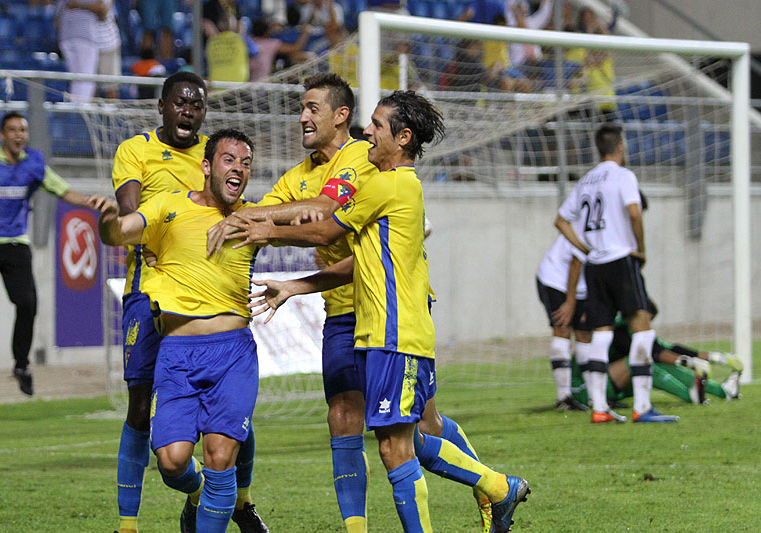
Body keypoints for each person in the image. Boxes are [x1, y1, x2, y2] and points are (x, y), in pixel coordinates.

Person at [206, 75, 520, 532]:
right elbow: (275, 212)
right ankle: (375, 523)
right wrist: (225, 215)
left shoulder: (367, 163)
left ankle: (493, 487)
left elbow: (326, 218)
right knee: (351, 420)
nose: (302, 117)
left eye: (313, 108)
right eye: (301, 108)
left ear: (341, 116)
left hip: (394, 316)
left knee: (412, 432)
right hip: (350, 314)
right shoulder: (299, 176)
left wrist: (265, 226)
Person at [110, 72, 267, 533]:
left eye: (196, 105)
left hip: (216, 302)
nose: (188, 111)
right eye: (180, 103)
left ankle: (240, 499)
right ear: (162, 106)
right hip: (152, 292)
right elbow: (129, 219)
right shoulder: (136, 151)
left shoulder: (219, 158)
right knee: (141, 406)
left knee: (230, 414)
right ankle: (131, 521)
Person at [0, 112, 108, 395]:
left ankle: (20, 365)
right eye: (13, 130)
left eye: (23, 130)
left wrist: (94, 203)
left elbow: (63, 191)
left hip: (17, 242)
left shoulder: (35, 165)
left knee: (27, 303)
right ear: (2, 135)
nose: (19, 135)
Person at [555, 124, 678, 424]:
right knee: (643, 328)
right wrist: (641, 248)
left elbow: (560, 221)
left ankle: (599, 408)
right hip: (621, 260)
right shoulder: (623, 176)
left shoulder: (586, 180)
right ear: (620, 146)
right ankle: (643, 406)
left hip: (594, 265)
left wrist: (584, 248)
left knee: (601, 334)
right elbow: (635, 213)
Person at [571, 310, 743, 406]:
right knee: (641, 364)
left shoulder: (630, 330)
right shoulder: (619, 330)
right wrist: (690, 363)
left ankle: (723, 392)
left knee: (651, 365)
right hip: (585, 391)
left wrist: (715, 357)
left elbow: (667, 348)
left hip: (609, 384)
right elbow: (653, 354)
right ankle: (691, 396)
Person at [535, 233, 590, 411]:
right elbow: (576, 262)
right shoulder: (590, 225)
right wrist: (570, 301)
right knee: (563, 328)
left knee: (585, 333)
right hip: (555, 279)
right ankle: (564, 397)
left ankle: (594, 396)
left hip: (581, 285)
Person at [56, 0, 101, 102]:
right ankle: (80, 110)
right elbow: (102, 10)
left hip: (66, 36)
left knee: (77, 78)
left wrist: (77, 5)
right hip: (84, 36)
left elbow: (57, 19)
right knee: (86, 77)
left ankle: (75, 107)